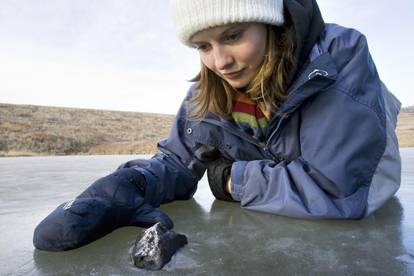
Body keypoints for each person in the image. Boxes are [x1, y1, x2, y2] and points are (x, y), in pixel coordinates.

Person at [33, 0, 401, 251]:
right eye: (202, 46)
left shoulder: (336, 58)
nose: (220, 61)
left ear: (270, 19)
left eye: (232, 35)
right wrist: (128, 184)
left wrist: (227, 181)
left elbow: (338, 190)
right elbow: (177, 162)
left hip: (364, 178)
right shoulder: (208, 91)